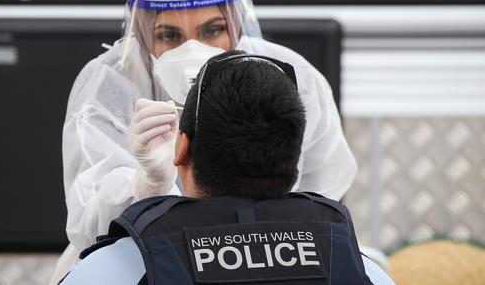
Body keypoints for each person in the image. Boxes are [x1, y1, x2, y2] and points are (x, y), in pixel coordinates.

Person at [54, 0, 357, 281]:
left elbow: (319, 193)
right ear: (143, 29)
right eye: (168, 34)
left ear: (234, 21)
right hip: (138, 259)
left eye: (213, 30)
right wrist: (145, 186)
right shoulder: (109, 84)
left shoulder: (290, 77)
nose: (193, 51)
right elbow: (90, 231)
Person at [60, 50, 394, 284]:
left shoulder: (119, 267)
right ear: (293, 157)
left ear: (182, 146)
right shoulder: (353, 265)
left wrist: (147, 185)